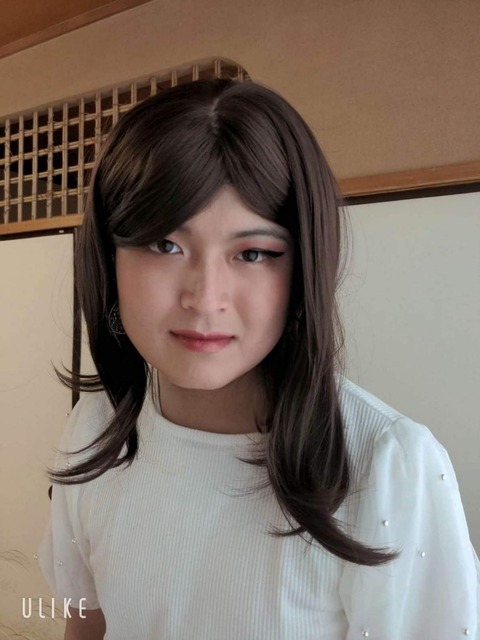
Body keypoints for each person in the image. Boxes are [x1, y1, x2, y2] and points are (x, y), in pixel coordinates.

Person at [37, 77, 479, 640]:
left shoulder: (388, 466)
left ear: (302, 268)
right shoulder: (95, 430)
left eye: (253, 253)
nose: (205, 298)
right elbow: (87, 624)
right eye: (164, 245)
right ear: (108, 257)